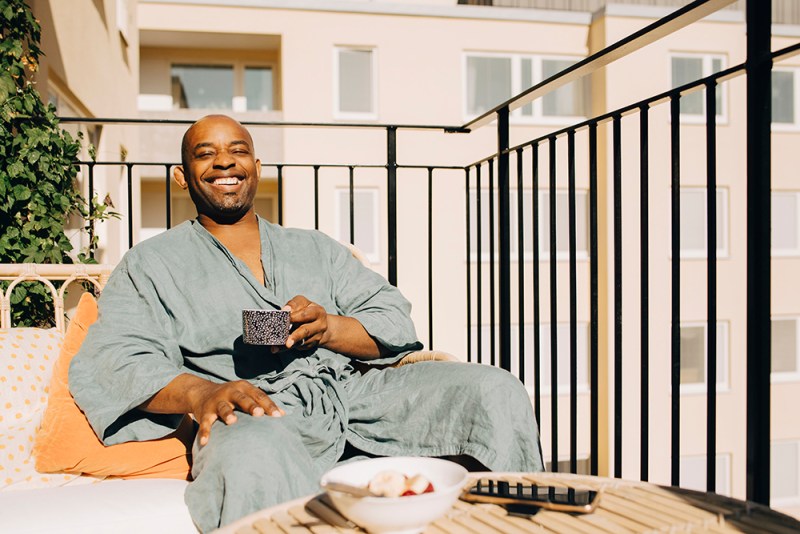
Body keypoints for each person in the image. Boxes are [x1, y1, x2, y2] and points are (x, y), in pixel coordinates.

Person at [69, 115, 543, 532]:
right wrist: (203, 394)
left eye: (239, 151)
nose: (225, 163)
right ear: (181, 176)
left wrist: (328, 327)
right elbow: (118, 356)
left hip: (352, 395)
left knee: (491, 388)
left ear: (257, 167)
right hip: (252, 409)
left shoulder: (315, 248)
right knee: (250, 447)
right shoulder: (151, 263)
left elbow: (392, 318)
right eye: (205, 154)